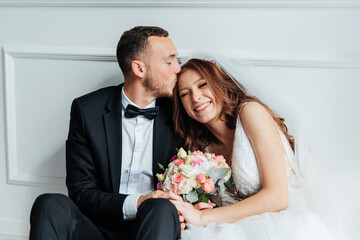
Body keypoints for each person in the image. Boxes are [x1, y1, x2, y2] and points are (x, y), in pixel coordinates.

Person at [29, 26, 184, 240]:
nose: (178, 69)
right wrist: (136, 203)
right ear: (139, 69)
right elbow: (81, 191)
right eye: (170, 61)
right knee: (49, 204)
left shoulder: (180, 112)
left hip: (154, 226)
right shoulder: (87, 110)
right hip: (96, 228)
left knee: (160, 208)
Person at [169, 54, 339, 240]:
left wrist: (203, 217)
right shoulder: (199, 150)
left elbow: (277, 197)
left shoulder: (250, 112)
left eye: (202, 85)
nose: (196, 97)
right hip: (235, 227)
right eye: (185, 93)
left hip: (285, 221)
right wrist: (198, 207)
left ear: (218, 83)